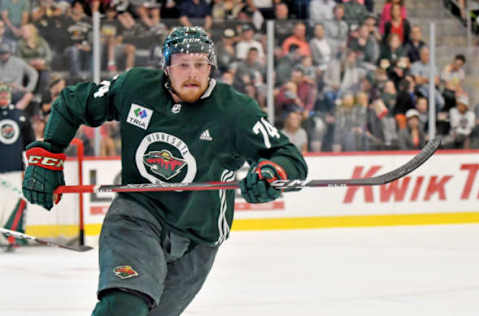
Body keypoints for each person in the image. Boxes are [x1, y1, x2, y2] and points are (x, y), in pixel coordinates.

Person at [21, 26, 308, 316]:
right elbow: (73, 101)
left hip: (199, 235)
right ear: (167, 67)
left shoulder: (235, 111)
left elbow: (289, 158)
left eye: (200, 65)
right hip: (137, 213)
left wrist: (272, 173)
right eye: (182, 64)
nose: (192, 73)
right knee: (124, 307)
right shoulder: (136, 87)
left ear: (211, 68)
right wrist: (49, 153)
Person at [0, 82, 35, 252]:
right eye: (1, 94)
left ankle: (12, 238)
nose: (3, 97)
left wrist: (30, 166)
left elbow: (30, 142)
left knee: (13, 204)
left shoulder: (19, 115)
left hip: (15, 168)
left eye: (6, 94)